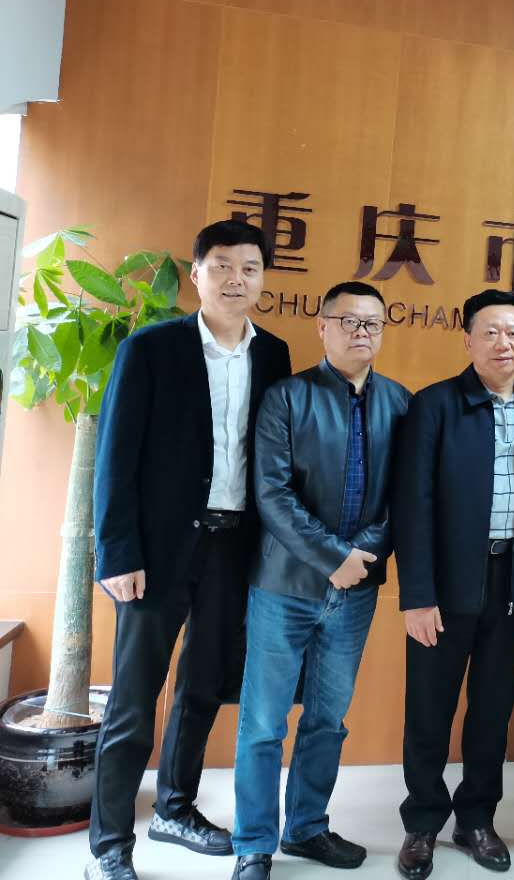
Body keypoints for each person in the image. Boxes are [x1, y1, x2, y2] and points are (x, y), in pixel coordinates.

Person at [86, 220, 292, 880]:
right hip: (157, 551)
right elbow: (115, 457)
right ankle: (109, 847)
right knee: (133, 700)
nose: (236, 279)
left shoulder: (274, 354)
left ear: (262, 279)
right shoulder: (151, 349)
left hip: (234, 548)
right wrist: (117, 552)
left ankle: (175, 809)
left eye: (250, 268)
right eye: (222, 265)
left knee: (203, 686)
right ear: (196, 273)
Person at [229, 281, 411, 880]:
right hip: (284, 585)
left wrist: (364, 554)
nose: (362, 332)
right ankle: (254, 844)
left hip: (356, 591)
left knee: (327, 721)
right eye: (349, 321)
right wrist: (334, 556)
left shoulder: (399, 402)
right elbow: (272, 494)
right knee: (263, 722)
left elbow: (404, 497)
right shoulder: (286, 397)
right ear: (323, 326)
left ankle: (306, 828)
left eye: (373, 323)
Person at [392, 290, 514, 879]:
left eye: (513, 332)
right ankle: (422, 823)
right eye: (489, 332)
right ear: (467, 341)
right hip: (445, 586)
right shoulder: (435, 405)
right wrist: (417, 595)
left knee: (492, 712)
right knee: (429, 712)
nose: (502, 343)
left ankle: (476, 819)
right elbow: (412, 504)